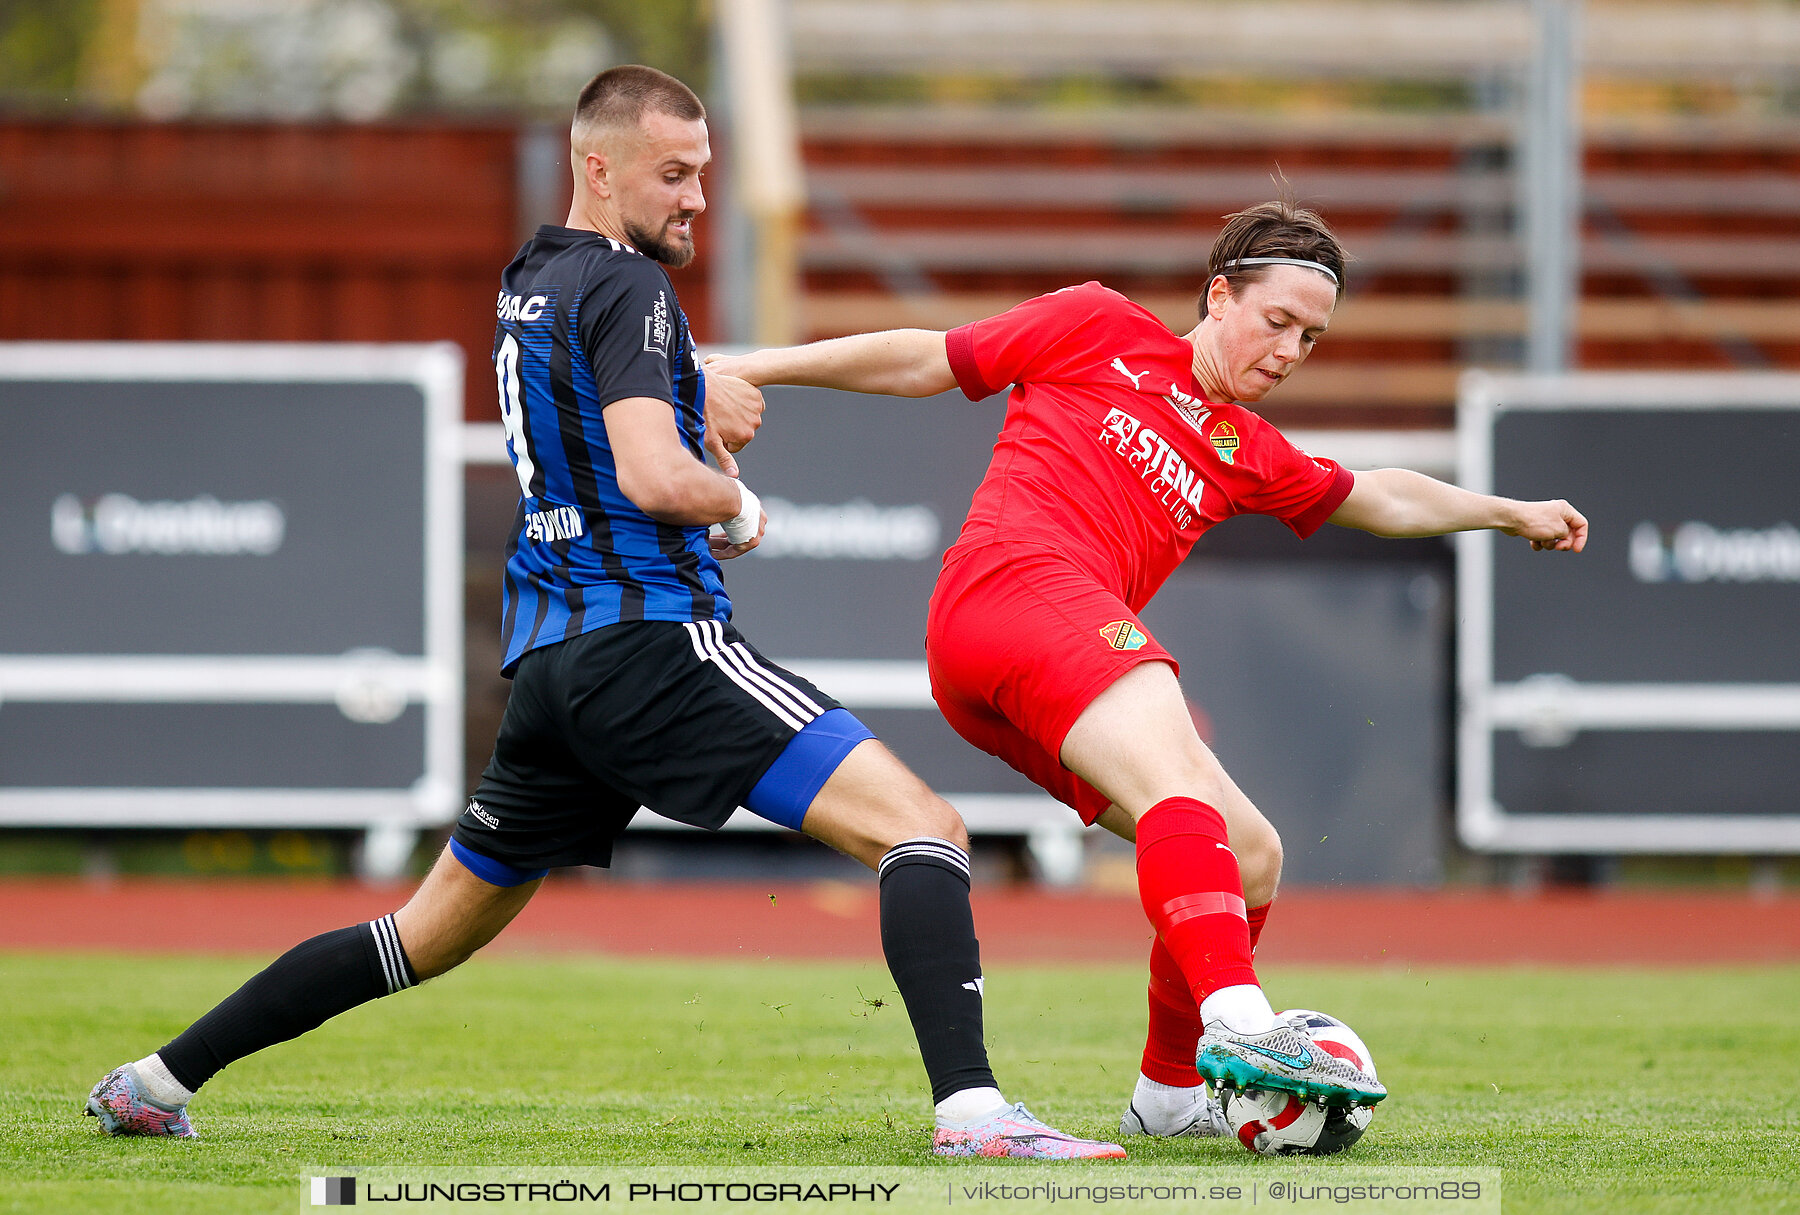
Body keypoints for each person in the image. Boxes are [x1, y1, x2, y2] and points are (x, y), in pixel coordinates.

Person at [83, 65, 1124, 1162]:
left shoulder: (532, 275)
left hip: (551, 666)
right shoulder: (632, 290)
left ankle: (154, 1080)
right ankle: (973, 1117)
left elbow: (598, 412)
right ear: (598, 166)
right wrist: (734, 497)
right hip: (651, 640)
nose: (696, 199)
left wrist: (691, 399)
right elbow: (652, 480)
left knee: (419, 937)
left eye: (705, 174)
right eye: (673, 174)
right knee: (925, 828)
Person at [704, 199, 1588, 1140]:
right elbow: (932, 355)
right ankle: (1243, 1022)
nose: (1289, 349)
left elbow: (1379, 497)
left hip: (1015, 673)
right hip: (1009, 589)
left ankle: (1168, 1098)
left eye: (1312, 337)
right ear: (1219, 295)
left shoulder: (1247, 449)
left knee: (1251, 853)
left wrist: (1505, 510)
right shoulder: (1099, 323)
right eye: (1276, 320)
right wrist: (755, 364)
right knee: (1176, 762)